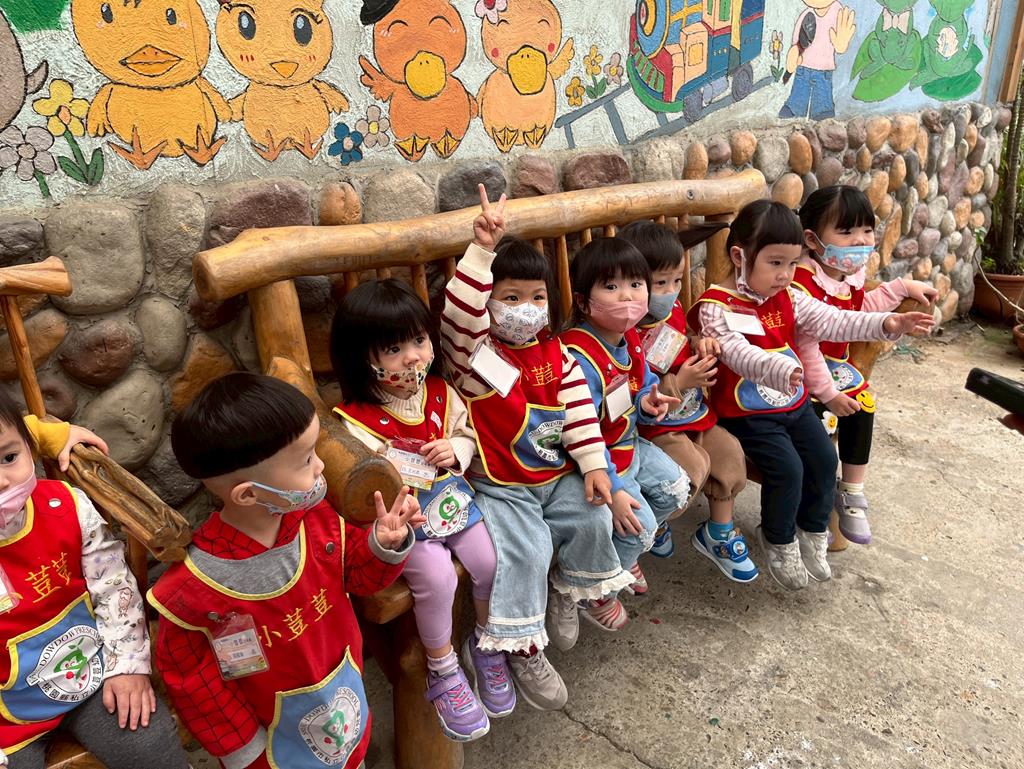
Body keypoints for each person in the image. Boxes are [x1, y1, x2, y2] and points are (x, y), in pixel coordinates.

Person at [150, 373, 422, 769]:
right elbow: (194, 682)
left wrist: (383, 543)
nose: (321, 466)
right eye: (306, 460)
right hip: (268, 750)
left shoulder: (318, 522)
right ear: (248, 494)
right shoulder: (195, 589)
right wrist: (245, 751)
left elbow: (360, 577)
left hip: (343, 703)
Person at [441, 186, 632, 711]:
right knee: (527, 550)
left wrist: (593, 466)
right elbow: (458, 316)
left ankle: (571, 590)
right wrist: (482, 250)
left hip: (554, 475)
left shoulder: (556, 352)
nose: (525, 309)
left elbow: (578, 412)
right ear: (488, 301)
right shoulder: (471, 356)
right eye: (510, 298)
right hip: (501, 486)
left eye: (536, 297)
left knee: (592, 518)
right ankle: (521, 647)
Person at [688, 200, 934, 590]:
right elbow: (736, 352)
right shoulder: (715, 308)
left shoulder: (788, 295)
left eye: (792, 263)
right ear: (739, 257)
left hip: (793, 402)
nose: (786, 275)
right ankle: (778, 538)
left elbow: (833, 319)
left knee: (823, 458)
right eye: (775, 263)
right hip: (747, 414)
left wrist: (888, 322)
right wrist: (781, 369)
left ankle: (813, 531)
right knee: (788, 468)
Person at [331, 279, 511, 742]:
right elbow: (361, 488)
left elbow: (466, 434)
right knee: (438, 577)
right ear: (361, 358)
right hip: (404, 524)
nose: (412, 357)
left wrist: (457, 449)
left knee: (489, 561)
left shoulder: (441, 393)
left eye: (418, 340)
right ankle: (442, 668)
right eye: (394, 349)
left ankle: (486, 642)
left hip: (451, 503)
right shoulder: (354, 420)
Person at [0, 392, 188, 769]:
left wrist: (127, 664)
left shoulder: (67, 506)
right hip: (7, 716)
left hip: (92, 669)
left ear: (29, 447)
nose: (3, 482)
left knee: (150, 746)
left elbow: (115, 587)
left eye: (9, 457)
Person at [796, 185, 938, 544]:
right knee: (821, 423)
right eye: (846, 231)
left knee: (863, 404)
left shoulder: (848, 275)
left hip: (835, 366)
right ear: (812, 240)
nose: (860, 240)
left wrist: (900, 288)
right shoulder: (801, 283)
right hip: (798, 370)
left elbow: (859, 312)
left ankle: (852, 492)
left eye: (867, 230)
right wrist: (828, 393)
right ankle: (813, 507)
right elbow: (806, 346)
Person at [618, 221, 757, 583]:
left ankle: (718, 533)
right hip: (656, 427)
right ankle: (655, 524)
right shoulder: (625, 332)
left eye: (677, 280)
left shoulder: (673, 310)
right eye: (660, 283)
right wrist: (679, 383)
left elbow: (682, 339)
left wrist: (699, 343)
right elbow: (632, 392)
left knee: (730, 454)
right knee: (691, 469)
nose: (671, 291)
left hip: (694, 413)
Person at [561, 237, 690, 611]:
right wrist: (615, 492)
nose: (627, 296)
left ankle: (623, 552)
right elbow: (580, 432)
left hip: (627, 443)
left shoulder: (629, 335)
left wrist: (649, 402)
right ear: (583, 301)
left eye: (635, 284)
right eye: (611, 286)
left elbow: (643, 382)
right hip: (596, 462)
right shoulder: (578, 356)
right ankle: (591, 591)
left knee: (674, 489)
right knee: (641, 527)